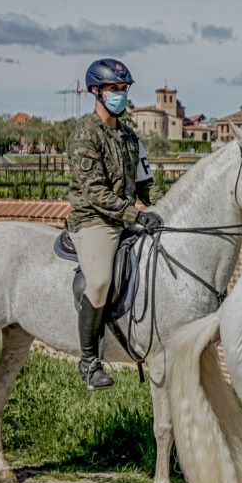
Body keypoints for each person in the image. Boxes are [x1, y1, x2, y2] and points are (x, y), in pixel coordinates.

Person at [65, 58, 161, 390]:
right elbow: (94, 193)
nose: (120, 95)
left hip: (125, 218)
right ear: (96, 91)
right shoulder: (85, 134)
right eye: (114, 89)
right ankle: (90, 362)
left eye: (124, 89)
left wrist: (163, 208)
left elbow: (146, 183)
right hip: (94, 221)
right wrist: (135, 215)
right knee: (102, 279)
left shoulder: (131, 138)